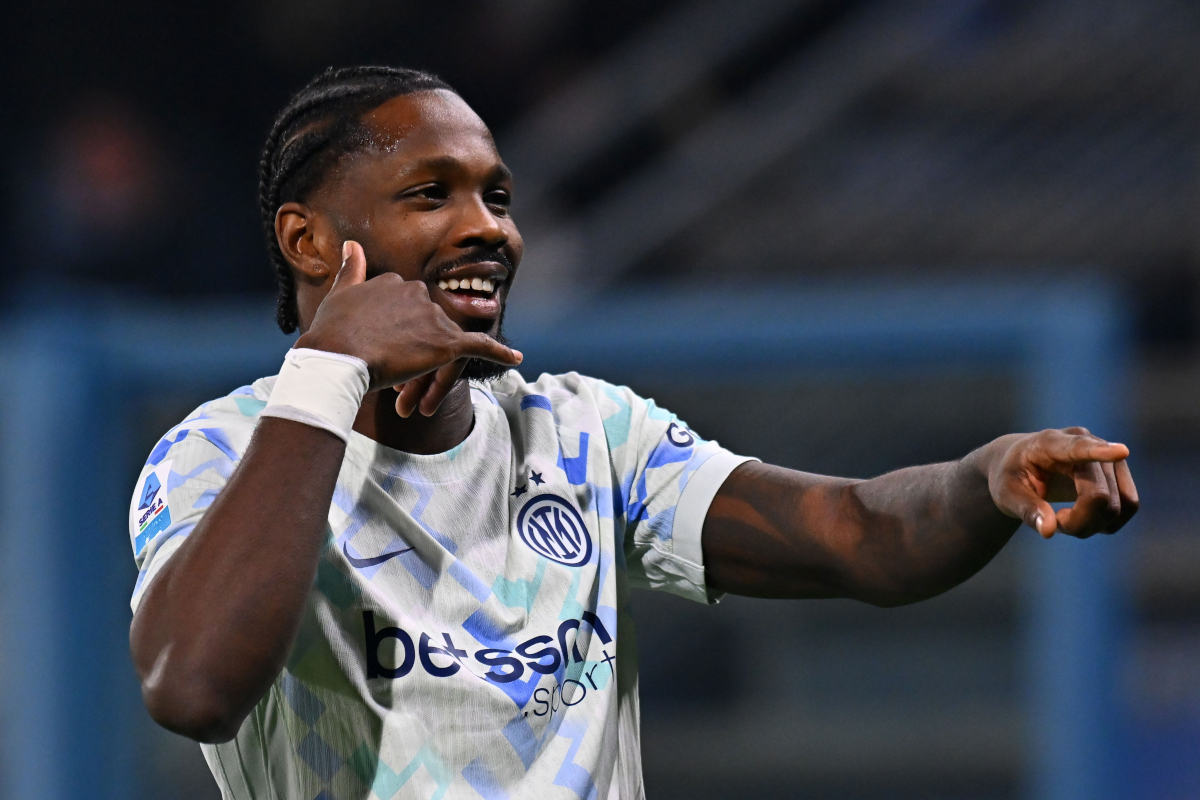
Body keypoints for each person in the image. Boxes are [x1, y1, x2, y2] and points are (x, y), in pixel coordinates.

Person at [127, 66, 1138, 800]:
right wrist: (329, 372)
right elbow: (192, 684)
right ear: (307, 239)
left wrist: (984, 476)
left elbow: (860, 532)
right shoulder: (221, 452)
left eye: (498, 196)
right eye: (432, 194)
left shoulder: (583, 433)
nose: (489, 228)